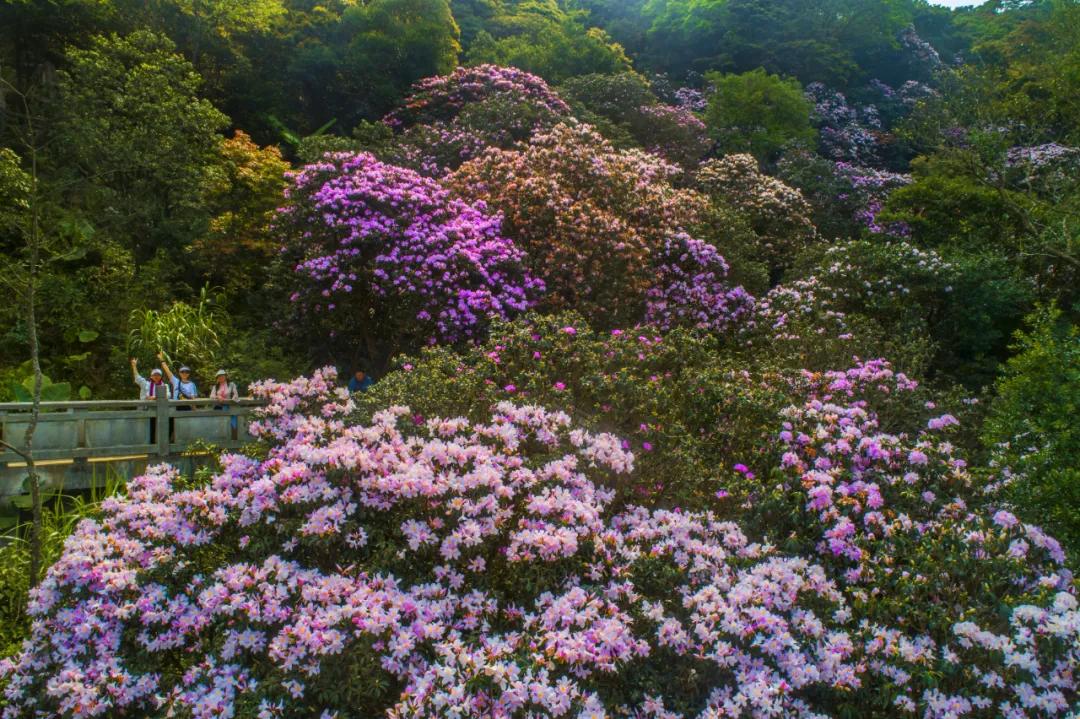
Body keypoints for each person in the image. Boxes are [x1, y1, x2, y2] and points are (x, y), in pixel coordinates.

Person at [131, 357, 170, 445]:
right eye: (154, 375)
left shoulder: (165, 385)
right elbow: (137, 377)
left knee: (158, 427)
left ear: (161, 376)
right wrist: (134, 366)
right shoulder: (146, 384)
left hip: (159, 410)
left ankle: (157, 444)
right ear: (151, 376)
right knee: (145, 427)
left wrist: (154, 397)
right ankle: (145, 444)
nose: (156, 377)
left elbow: (168, 395)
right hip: (146, 408)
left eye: (158, 375)